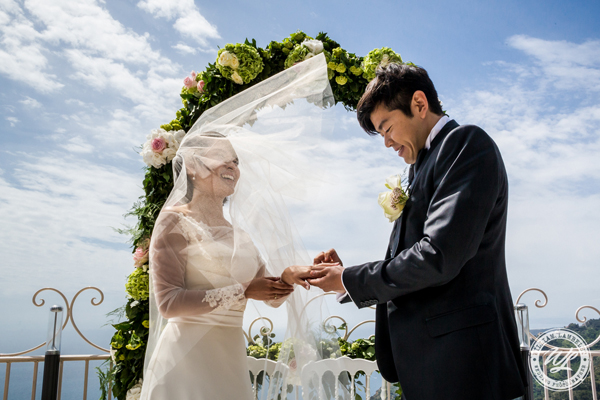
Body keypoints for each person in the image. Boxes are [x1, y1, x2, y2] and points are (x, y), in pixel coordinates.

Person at [307, 63, 528, 400]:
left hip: (465, 367)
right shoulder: (422, 165)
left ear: (419, 105)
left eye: (386, 128)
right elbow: (414, 264)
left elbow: (438, 255)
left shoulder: (465, 144)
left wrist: (350, 278)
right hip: (434, 366)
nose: (387, 143)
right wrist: (345, 279)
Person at [140, 53, 341, 400]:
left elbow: (267, 291)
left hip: (229, 364)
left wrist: (294, 275)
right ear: (192, 167)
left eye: (236, 160)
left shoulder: (239, 235)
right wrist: (243, 291)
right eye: (222, 158)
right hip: (185, 365)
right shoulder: (175, 221)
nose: (232, 166)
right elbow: (169, 304)